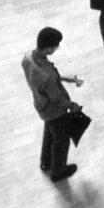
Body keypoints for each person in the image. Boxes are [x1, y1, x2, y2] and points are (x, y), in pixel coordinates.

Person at [21, 27, 83, 182]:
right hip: (55, 111)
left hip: (42, 107)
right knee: (61, 140)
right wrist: (72, 105)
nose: (57, 48)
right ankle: (58, 171)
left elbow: (48, 78)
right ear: (48, 48)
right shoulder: (46, 77)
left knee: (50, 134)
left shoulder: (28, 57)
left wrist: (67, 78)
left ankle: (46, 162)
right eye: (56, 46)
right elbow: (57, 99)